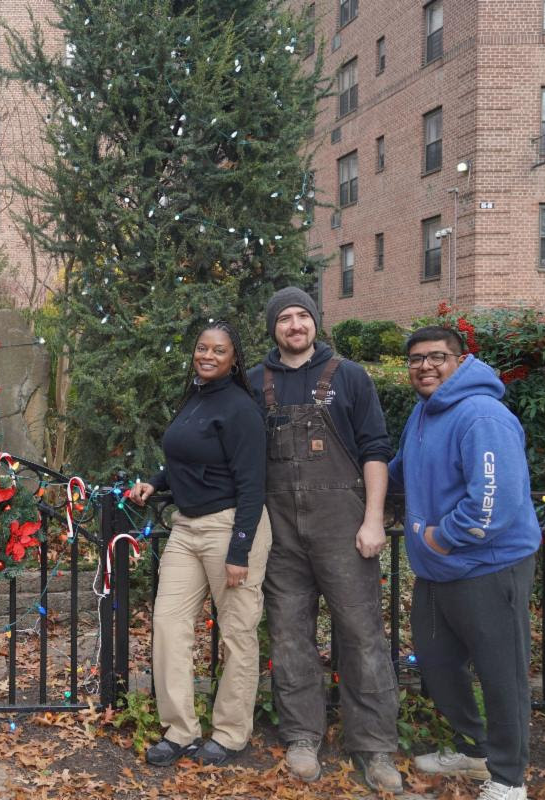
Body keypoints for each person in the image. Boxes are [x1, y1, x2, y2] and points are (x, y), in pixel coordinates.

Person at [247, 288, 402, 793]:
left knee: (361, 636)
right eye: (285, 318)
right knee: (290, 636)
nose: (295, 325)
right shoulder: (255, 382)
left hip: (345, 526)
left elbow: (376, 450)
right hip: (282, 532)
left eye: (302, 316)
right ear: (273, 328)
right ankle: (301, 736)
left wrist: (373, 519)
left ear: (315, 322)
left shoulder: (350, 377)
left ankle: (374, 747)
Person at [389, 326, 540, 800]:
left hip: (488, 567)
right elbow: (399, 471)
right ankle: (474, 749)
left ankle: (509, 777)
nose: (425, 366)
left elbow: (493, 501)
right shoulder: (423, 413)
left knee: (502, 674)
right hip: (439, 571)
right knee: (437, 663)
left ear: (460, 360)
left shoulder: (482, 415)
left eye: (437, 357)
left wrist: (442, 536)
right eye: (416, 359)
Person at [131, 321, 271, 767]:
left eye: (219, 350)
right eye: (202, 348)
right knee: (169, 625)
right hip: (187, 529)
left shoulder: (241, 408)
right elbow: (185, 459)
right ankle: (181, 729)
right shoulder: (195, 396)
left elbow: (253, 485)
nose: (208, 356)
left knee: (237, 634)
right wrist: (155, 484)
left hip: (230, 528)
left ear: (234, 358)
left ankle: (230, 733)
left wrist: (239, 551)